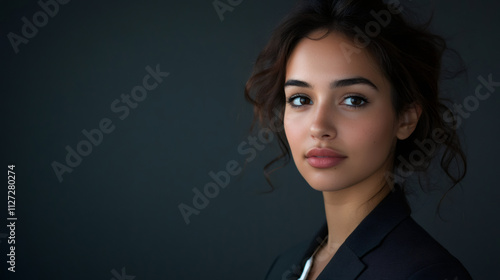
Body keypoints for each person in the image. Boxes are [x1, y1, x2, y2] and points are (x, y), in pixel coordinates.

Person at [244, 0, 473, 279]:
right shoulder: (285, 265)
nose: (319, 126)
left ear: (405, 119)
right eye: (301, 99)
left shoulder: (427, 273)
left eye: (353, 100)